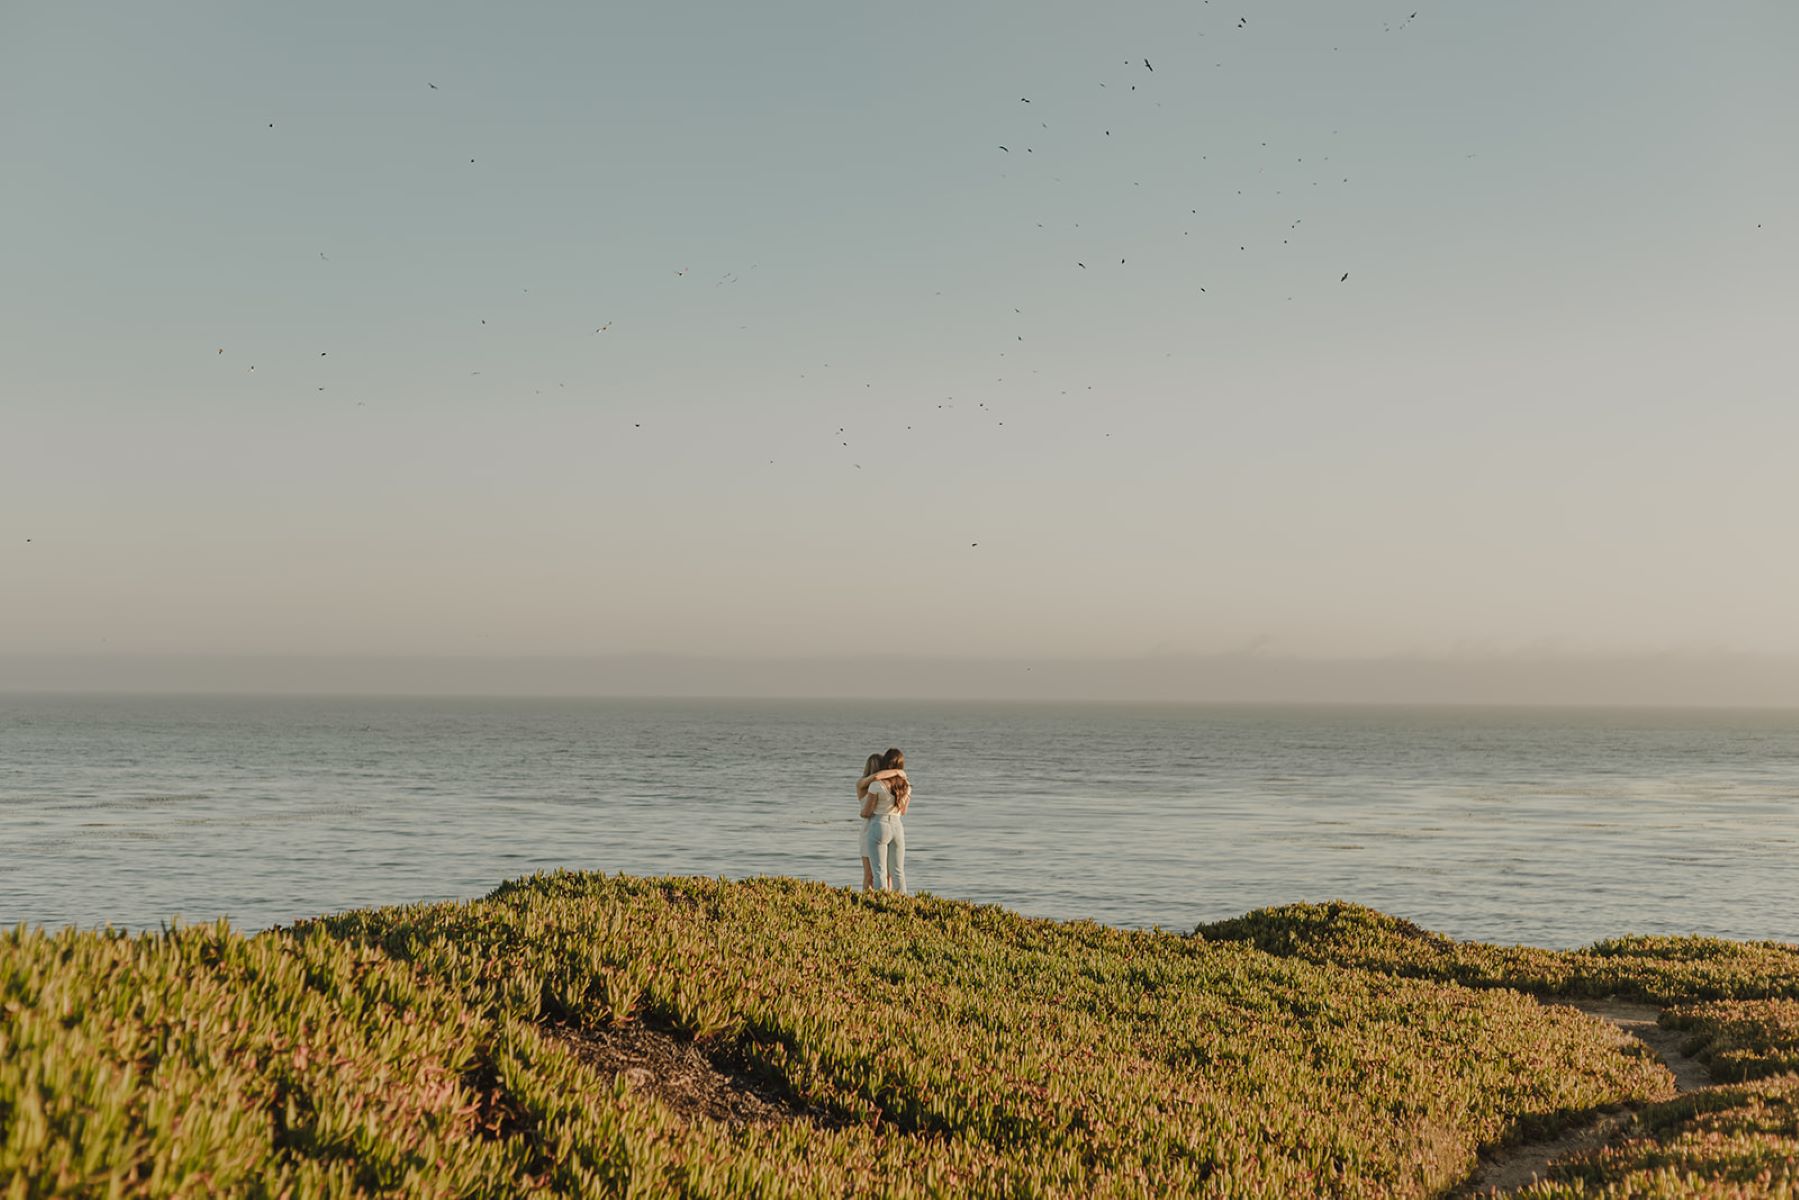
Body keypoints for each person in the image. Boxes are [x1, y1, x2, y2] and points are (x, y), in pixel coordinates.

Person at [858, 747, 910, 894]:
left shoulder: (877, 785)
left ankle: (881, 904)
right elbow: (903, 811)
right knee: (898, 871)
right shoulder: (906, 787)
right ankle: (902, 902)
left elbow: (868, 811)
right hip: (897, 825)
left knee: (879, 871)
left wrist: (863, 813)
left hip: (879, 825)